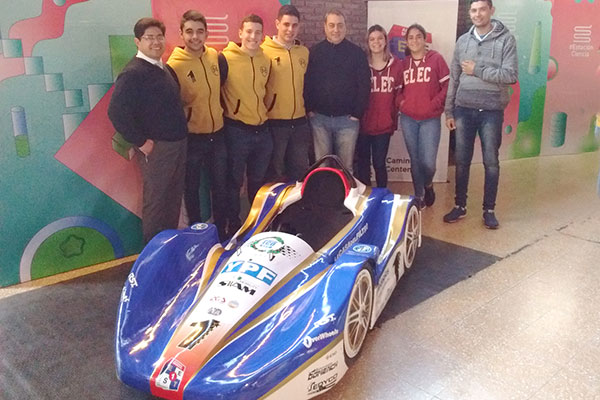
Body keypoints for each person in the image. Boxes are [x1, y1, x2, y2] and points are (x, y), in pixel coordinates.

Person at [108, 17, 188, 243]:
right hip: (157, 149)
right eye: (149, 38)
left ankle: (168, 246)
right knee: (157, 201)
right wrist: (141, 142)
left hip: (177, 144)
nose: (156, 42)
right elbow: (116, 112)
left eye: (159, 37)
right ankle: (153, 252)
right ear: (137, 41)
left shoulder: (164, 68)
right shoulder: (133, 73)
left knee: (172, 199)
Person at [443, 0, 518, 229]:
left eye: (482, 9)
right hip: (463, 109)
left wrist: (477, 70)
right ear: (470, 13)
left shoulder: (506, 39)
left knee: (491, 162)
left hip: (491, 111)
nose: (478, 14)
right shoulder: (462, 41)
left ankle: (489, 210)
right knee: (462, 161)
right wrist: (449, 110)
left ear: (491, 11)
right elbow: (454, 78)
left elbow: (510, 75)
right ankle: (460, 206)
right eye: (474, 10)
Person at [167, 10, 228, 240]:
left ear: (206, 34)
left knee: (219, 186)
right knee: (191, 188)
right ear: (181, 34)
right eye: (190, 32)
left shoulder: (214, 56)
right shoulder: (174, 65)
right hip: (193, 138)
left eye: (200, 32)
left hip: (218, 134)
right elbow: (172, 104)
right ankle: (196, 234)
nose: (195, 37)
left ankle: (221, 232)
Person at [219, 14, 273, 236]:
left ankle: (256, 223)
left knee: (259, 182)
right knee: (234, 181)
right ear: (240, 33)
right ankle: (234, 224)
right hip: (237, 131)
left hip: (262, 131)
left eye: (258, 32)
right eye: (249, 31)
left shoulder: (265, 60)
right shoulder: (225, 59)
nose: (253, 36)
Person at [304, 9, 370, 172]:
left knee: (346, 168)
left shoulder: (357, 53)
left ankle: (345, 191)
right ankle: (324, 191)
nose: (336, 29)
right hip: (319, 119)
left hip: (348, 121)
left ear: (345, 27)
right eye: (332, 25)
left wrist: (357, 114)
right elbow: (307, 82)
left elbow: (364, 85)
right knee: (322, 167)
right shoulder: (314, 52)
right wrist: (310, 109)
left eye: (340, 25)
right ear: (325, 27)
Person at [399, 23, 449, 208]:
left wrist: (433, 104)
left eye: (418, 36)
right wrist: (402, 103)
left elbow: (447, 86)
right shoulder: (404, 64)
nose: (414, 40)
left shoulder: (436, 59)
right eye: (411, 37)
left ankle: (428, 184)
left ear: (424, 39)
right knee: (415, 160)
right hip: (409, 119)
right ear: (406, 42)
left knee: (428, 163)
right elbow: (397, 91)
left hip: (430, 120)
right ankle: (418, 195)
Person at [261, 5, 310, 182]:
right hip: (275, 122)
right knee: (275, 171)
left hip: (299, 122)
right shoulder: (264, 51)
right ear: (277, 24)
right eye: (286, 24)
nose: (290, 29)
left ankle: (298, 201)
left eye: (294, 25)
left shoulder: (303, 52)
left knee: (300, 172)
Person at [356, 25, 402, 188]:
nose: (376, 42)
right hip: (363, 124)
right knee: (363, 163)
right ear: (367, 42)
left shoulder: (396, 65)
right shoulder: (361, 64)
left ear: (386, 40)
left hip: (384, 125)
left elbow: (398, 96)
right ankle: (366, 197)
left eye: (380, 38)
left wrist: (393, 121)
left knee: (379, 163)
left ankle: (382, 195)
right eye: (372, 39)